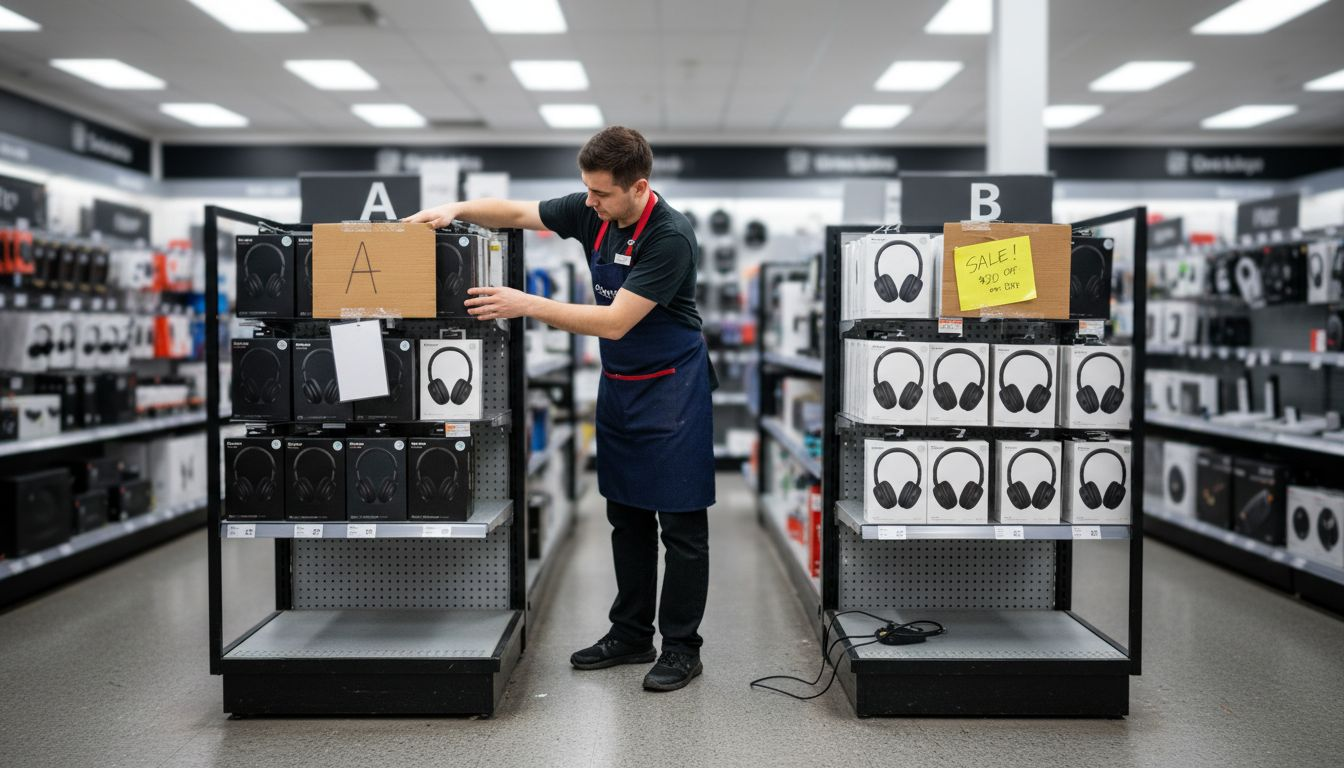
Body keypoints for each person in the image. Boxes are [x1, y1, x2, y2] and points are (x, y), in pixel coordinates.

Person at [405, 126, 715, 692]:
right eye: (586, 192)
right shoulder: (594, 211)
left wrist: (527, 304)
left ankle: (681, 647)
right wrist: (455, 208)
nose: (590, 203)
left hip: (674, 388)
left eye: (600, 194)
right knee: (626, 516)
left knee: (682, 524)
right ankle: (630, 633)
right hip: (622, 383)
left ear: (638, 187)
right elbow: (519, 212)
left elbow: (615, 321)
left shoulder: (670, 237)